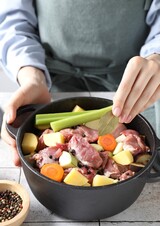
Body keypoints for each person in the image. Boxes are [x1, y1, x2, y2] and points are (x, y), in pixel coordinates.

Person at [0, 0, 160, 166]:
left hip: (138, 90)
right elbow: (12, 22)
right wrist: (32, 78)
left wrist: (157, 57)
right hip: (50, 88)